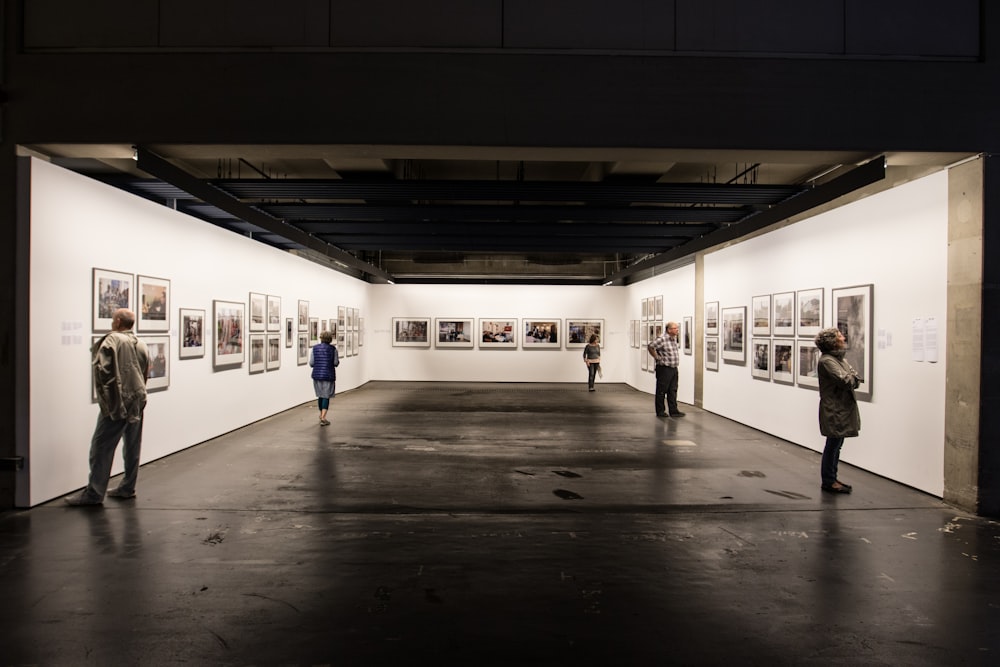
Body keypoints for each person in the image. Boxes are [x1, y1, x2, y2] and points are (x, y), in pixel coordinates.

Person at [65, 308, 150, 506]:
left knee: (101, 446)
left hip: (119, 401)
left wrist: (109, 401)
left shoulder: (112, 340)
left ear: (118, 321)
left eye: (113, 320)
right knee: (132, 444)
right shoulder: (142, 344)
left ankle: (94, 493)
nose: (112, 322)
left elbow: (104, 372)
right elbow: (146, 372)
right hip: (137, 398)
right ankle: (128, 487)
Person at [814, 327, 862, 494]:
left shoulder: (838, 359)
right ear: (833, 341)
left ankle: (832, 478)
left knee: (836, 445)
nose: (843, 337)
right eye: (840, 335)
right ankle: (828, 480)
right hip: (834, 410)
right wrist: (853, 378)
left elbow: (852, 376)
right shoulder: (827, 361)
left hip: (840, 408)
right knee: (833, 445)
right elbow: (847, 380)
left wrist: (852, 377)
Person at [647, 321, 684, 418]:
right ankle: (660, 411)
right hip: (664, 368)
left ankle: (674, 410)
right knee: (661, 390)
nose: (677, 330)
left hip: (673, 368)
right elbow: (651, 346)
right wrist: (657, 357)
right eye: (675, 328)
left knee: (673, 390)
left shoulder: (673, 339)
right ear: (669, 330)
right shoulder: (662, 339)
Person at [309, 330, 340, 426]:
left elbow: (311, 363)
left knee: (320, 395)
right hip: (328, 375)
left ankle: (321, 415)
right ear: (330, 339)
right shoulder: (333, 349)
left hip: (317, 375)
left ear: (321, 338)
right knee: (326, 396)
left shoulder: (315, 348)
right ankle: (323, 417)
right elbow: (335, 363)